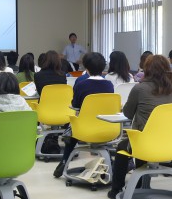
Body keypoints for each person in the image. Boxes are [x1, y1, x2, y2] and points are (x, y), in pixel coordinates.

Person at [108, 55, 172, 199]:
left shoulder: (140, 88)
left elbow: (128, 114)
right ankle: (141, 185)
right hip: (169, 144)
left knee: (123, 146)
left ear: (147, 69)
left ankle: (115, 190)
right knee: (141, 138)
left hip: (146, 144)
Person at [53, 52, 114, 178]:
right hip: (107, 126)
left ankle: (64, 161)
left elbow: (75, 105)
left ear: (86, 66)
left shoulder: (82, 84)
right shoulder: (109, 85)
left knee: (71, 128)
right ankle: (110, 163)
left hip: (85, 128)